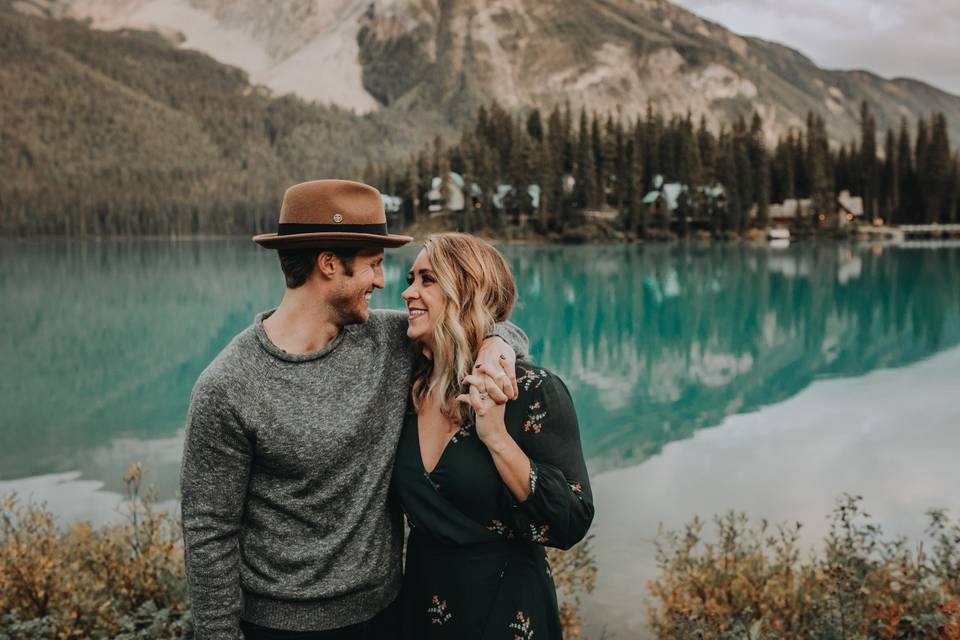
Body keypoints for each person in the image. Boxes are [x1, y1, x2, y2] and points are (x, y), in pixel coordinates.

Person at [180, 180, 528, 640]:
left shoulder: (389, 341)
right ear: (328, 265)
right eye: (375, 265)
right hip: (277, 627)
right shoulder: (227, 385)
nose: (384, 283)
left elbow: (482, 322)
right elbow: (208, 532)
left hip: (388, 613)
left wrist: (495, 346)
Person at [392, 233, 594, 639]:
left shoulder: (531, 389)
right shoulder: (407, 381)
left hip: (506, 607)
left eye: (427, 280)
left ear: (467, 292)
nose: (407, 292)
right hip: (422, 602)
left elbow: (570, 521)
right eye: (412, 278)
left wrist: (497, 437)